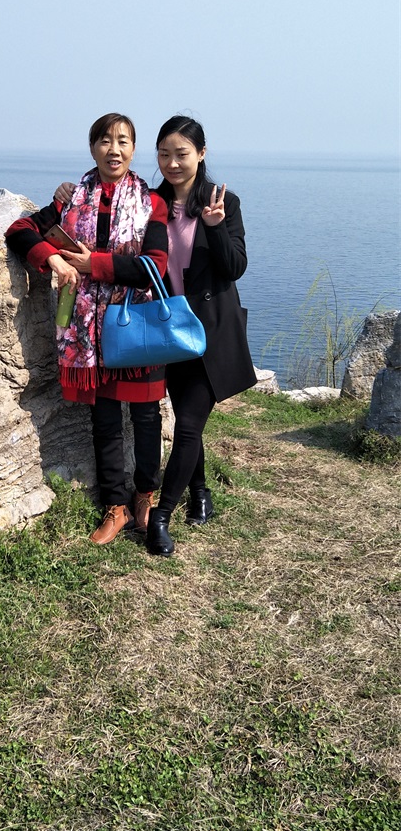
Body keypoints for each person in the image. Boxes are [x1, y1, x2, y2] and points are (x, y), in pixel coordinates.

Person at [5, 113, 169, 545]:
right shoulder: (71, 198)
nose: (114, 149)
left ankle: (144, 498)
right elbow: (20, 229)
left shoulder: (152, 202)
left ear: (134, 149)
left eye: (123, 141)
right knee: (105, 419)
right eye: (105, 141)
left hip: (136, 325)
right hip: (91, 333)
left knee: (147, 417)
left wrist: (92, 264)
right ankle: (115, 506)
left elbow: (155, 265)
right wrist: (52, 258)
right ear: (93, 147)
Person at [146, 115, 256, 556]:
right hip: (171, 332)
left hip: (211, 331)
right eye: (164, 154)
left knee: (189, 425)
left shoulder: (223, 202)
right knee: (187, 421)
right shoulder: (151, 202)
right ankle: (201, 493)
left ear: (202, 153)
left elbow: (235, 268)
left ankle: (160, 516)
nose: (172, 163)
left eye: (182, 154)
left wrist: (214, 225)